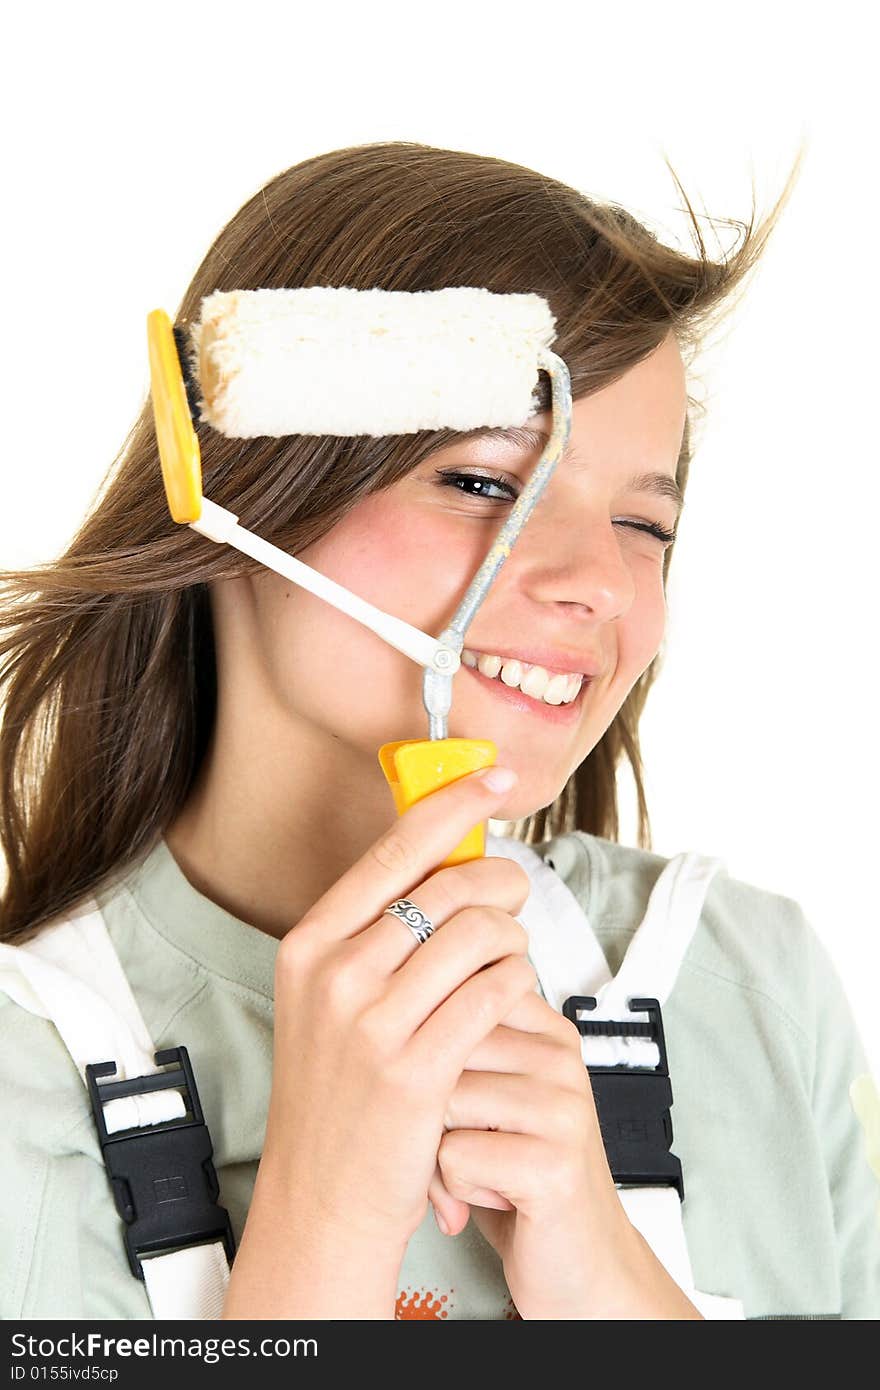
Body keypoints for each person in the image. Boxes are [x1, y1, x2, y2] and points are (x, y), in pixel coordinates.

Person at [1, 140, 877, 1321]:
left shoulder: (754, 992)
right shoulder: (22, 1080)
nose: (597, 586)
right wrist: (328, 1214)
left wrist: (604, 1278)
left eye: (643, 522)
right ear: (229, 490)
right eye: (480, 482)